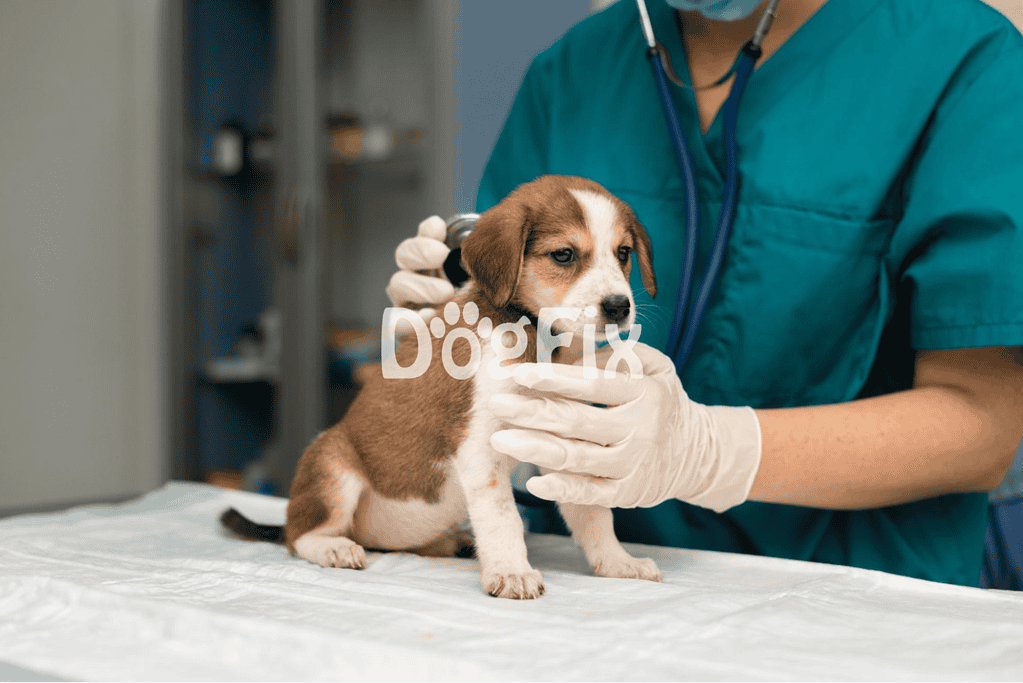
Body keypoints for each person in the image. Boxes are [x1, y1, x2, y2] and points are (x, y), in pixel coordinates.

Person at [388, 0, 1023, 586]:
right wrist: (456, 323)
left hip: (853, 591)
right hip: (589, 581)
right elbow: (514, 314)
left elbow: (985, 427)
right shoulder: (574, 71)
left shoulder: (962, 61)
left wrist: (710, 452)